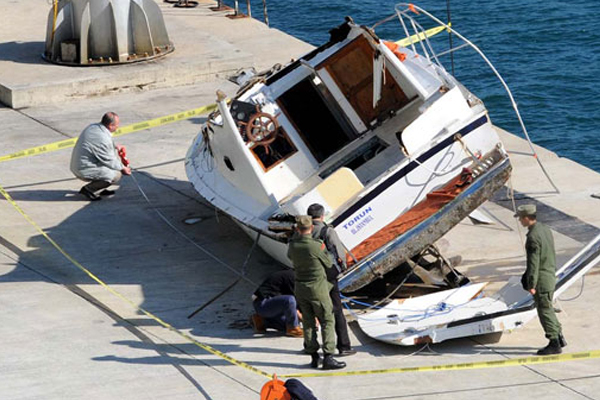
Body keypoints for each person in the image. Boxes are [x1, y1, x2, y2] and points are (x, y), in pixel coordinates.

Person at [288, 215, 346, 370]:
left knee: (308, 322)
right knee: (327, 320)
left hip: (301, 288)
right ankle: (328, 356)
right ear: (311, 228)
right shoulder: (316, 245)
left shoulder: (293, 246)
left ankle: (313, 355)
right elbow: (328, 262)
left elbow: (289, 257)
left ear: (298, 229)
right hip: (318, 289)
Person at [516, 204, 567, 355]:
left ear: (526, 218)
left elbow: (534, 263)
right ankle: (559, 336)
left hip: (542, 279)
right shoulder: (544, 228)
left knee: (544, 311)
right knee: (549, 308)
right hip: (550, 274)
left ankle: (554, 342)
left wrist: (531, 284)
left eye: (520, 218)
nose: (520, 221)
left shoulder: (533, 237)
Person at [307, 203, 356, 357]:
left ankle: (310, 345)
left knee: (311, 310)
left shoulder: (303, 231)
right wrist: (342, 267)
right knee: (336, 310)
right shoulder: (327, 231)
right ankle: (344, 345)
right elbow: (338, 251)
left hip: (310, 274)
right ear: (322, 216)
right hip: (328, 274)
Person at [70, 112, 131, 201]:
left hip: (82, 164)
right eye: (117, 125)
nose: (118, 127)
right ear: (110, 125)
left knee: (112, 169)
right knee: (116, 174)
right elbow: (108, 159)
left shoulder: (94, 127)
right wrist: (123, 168)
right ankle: (89, 189)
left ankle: (99, 188)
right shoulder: (102, 138)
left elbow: (101, 145)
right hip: (83, 168)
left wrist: (115, 146)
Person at [251, 269, 303, 337]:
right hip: (263, 303)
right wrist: (307, 319)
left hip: (270, 307)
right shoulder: (292, 277)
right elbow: (295, 308)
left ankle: (263, 320)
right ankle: (292, 328)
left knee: (284, 326)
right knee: (289, 300)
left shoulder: (295, 277)